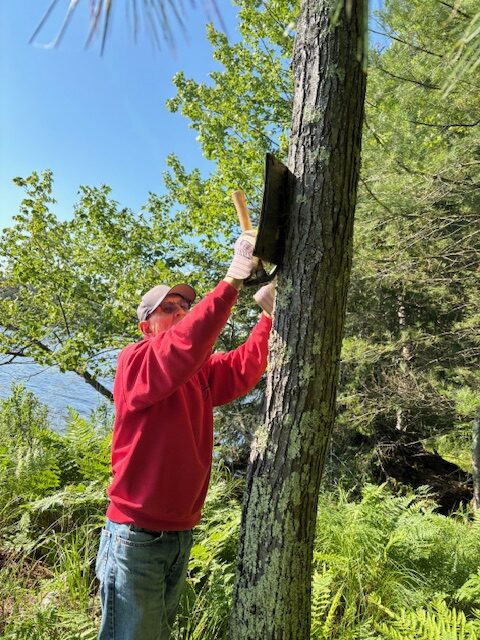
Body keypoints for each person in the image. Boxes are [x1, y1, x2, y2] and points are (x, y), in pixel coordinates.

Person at [95, 230, 276, 640]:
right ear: (147, 326)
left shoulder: (198, 371)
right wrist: (231, 279)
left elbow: (240, 370)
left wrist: (267, 320)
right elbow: (184, 344)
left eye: (186, 306)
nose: (182, 312)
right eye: (169, 308)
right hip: (135, 537)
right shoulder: (137, 361)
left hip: (178, 535)